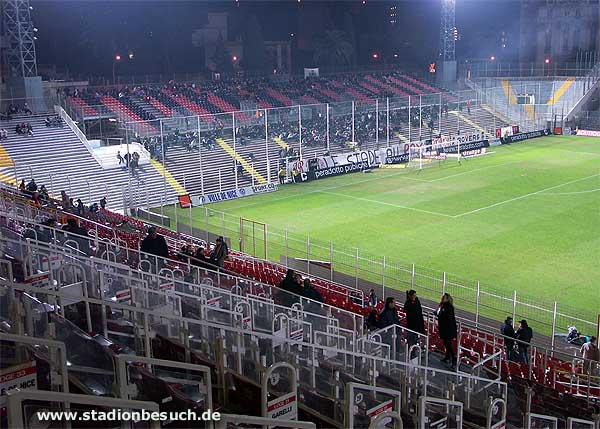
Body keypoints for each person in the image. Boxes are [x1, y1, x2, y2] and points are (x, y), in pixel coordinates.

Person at [436, 293, 457, 367]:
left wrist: (439, 314)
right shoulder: (443, 305)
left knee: (448, 344)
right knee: (446, 343)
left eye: (444, 297)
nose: (442, 298)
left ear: (447, 299)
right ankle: (447, 357)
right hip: (445, 328)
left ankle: (453, 358)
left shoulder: (448, 307)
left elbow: (446, 316)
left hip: (448, 329)